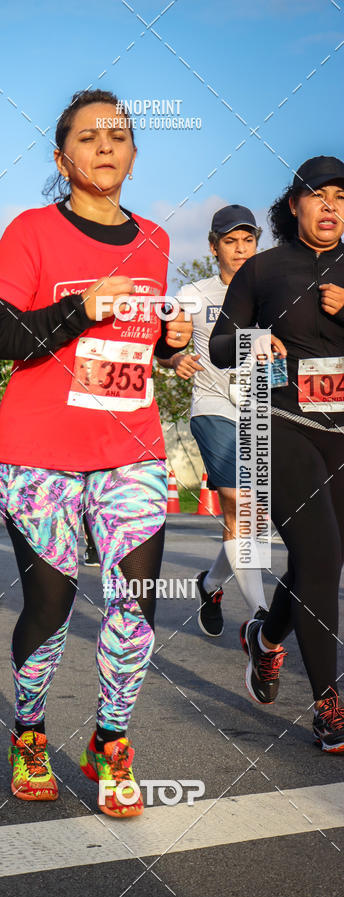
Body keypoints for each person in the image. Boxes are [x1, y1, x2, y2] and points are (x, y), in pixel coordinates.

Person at [0, 88, 192, 816]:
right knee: (52, 604)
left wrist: (167, 343)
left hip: (132, 450)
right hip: (39, 452)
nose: (105, 146)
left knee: (135, 601)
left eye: (119, 136)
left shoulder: (155, 239)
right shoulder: (31, 231)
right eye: (88, 136)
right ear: (62, 156)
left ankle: (111, 740)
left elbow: (131, 349)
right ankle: (30, 731)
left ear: (133, 154)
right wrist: (80, 306)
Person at [209, 156, 344, 752]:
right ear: (294, 205)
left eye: (341, 197)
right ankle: (328, 705)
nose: (331, 206)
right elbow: (219, 346)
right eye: (318, 195)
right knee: (319, 556)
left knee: (322, 563)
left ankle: (264, 639)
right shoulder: (263, 270)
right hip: (280, 425)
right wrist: (255, 339)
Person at [157, 205, 268, 636]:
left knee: (253, 516)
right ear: (213, 247)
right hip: (213, 407)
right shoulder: (194, 294)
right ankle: (260, 617)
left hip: (261, 410)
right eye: (230, 241)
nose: (240, 249)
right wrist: (176, 359)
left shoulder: (273, 290)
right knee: (240, 502)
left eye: (248, 240)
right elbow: (165, 346)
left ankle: (210, 584)